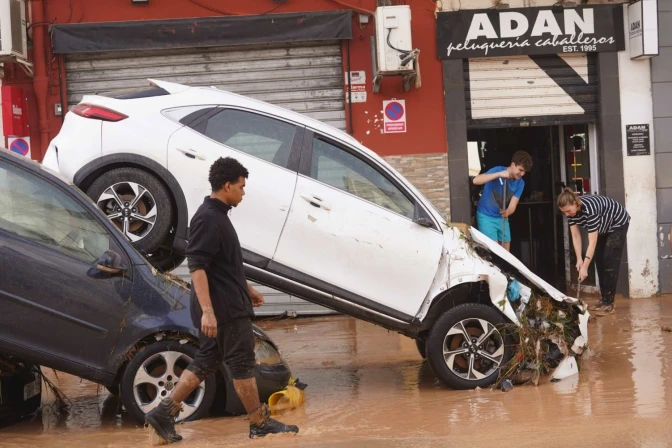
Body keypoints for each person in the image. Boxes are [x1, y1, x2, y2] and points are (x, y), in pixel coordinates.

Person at [145, 157, 299, 443]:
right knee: (241, 363)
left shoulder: (217, 216)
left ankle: (164, 413)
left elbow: (226, 264)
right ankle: (259, 423)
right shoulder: (208, 218)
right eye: (241, 187)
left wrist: (247, 288)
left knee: (207, 360)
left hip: (223, 304)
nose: (243, 192)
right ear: (227, 185)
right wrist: (208, 312)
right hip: (223, 309)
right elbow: (198, 266)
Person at [557, 188, 630, 316]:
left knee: (609, 260)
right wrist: (579, 259)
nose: (567, 214)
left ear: (575, 203)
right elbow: (575, 236)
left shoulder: (589, 210)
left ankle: (609, 303)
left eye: (568, 211)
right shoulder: (571, 214)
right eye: (564, 212)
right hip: (603, 226)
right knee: (599, 260)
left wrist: (585, 267)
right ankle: (603, 300)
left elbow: (592, 242)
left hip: (617, 223)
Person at [472, 151, 533, 251]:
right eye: (520, 170)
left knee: (506, 253)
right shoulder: (498, 170)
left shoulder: (520, 183)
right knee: (495, 252)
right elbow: (476, 180)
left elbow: (513, 205)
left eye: (524, 172)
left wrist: (507, 212)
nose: (522, 174)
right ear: (513, 164)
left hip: (502, 219)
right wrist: (499, 174)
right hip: (486, 216)